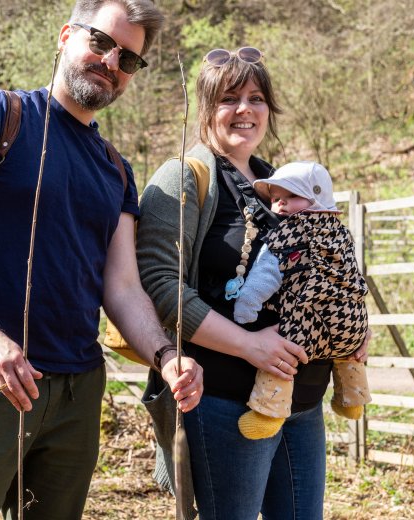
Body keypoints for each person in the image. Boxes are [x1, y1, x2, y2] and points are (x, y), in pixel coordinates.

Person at [0, 2, 204, 519]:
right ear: (66, 35)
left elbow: (123, 288)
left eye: (129, 59)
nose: (112, 62)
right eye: (102, 43)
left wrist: (163, 354)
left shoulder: (116, 170)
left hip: (75, 390)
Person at [136, 47, 369, 520]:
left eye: (257, 97)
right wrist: (248, 345)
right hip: (224, 401)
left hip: (302, 400)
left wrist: (351, 327)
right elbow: (159, 285)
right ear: (206, 108)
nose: (245, 109)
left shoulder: (279, 182)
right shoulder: (184, 177)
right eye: (230, 98)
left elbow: (324, 267)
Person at [233, 160, 372, 440]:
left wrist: (243, 316)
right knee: (349, 355)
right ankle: (353, 399)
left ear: (317, 198)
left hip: (305, 331)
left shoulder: (284, 237)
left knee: (281, 359)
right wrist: (357, 321)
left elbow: (262, 280)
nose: (281, 205)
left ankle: (268, 413)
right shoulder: (341, 234)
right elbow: (352, 276)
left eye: (292, 197)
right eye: (276, 199)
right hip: (350, 326)